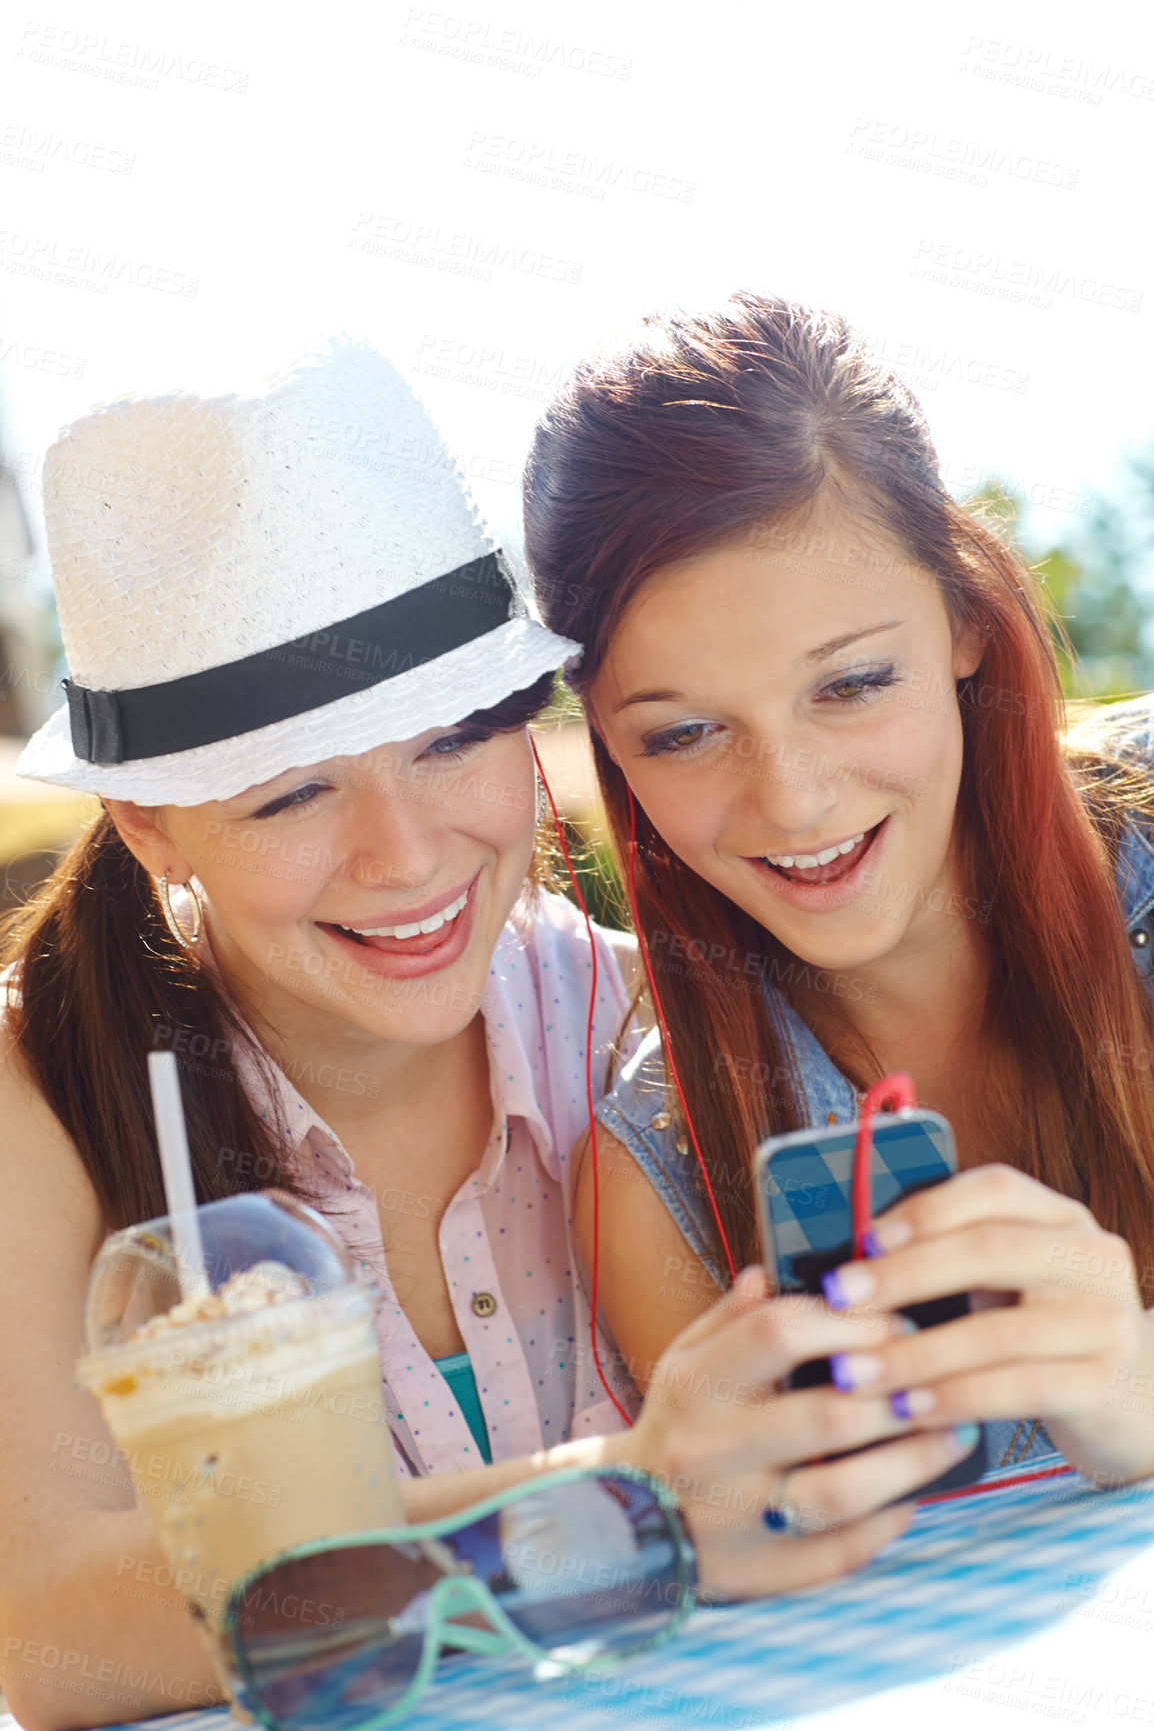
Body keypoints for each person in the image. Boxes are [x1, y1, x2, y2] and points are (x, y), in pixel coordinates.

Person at [0, 340, 970, 1731]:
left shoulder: (655, 1029)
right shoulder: (35, 1095)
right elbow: (55, 1641)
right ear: (149, 822)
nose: (406, 857)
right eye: (292, 799)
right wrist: (627, 1510)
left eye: (452, 740)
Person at [525, 291, 1154, 1496]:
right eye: (685, 733)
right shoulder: (665, 1167)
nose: (796, 800)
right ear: (604, 740)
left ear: (965, 618)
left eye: (852, 684)